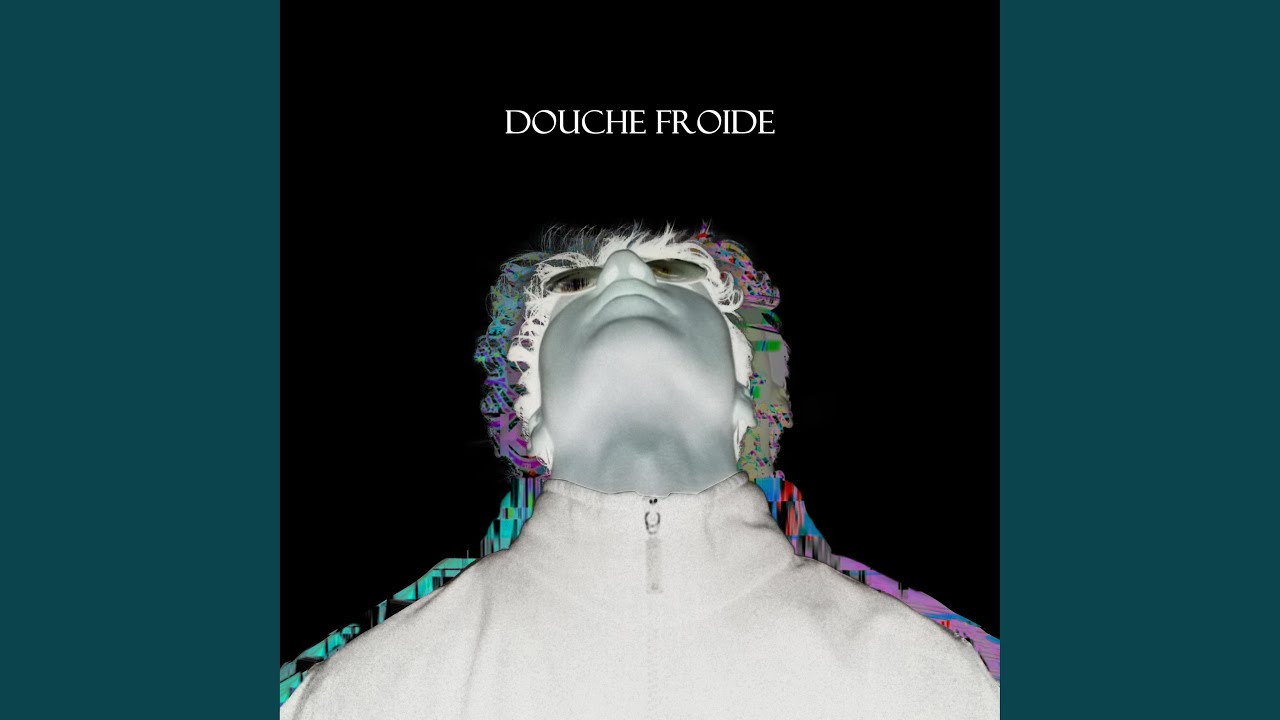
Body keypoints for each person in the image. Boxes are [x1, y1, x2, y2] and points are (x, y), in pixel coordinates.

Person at [280, 224, 1000, 719]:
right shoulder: (365, 693)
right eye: (576, 282)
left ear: (748, 396)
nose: (623, 269)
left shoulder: (928, 680)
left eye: (676, 271)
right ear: (531, 415)